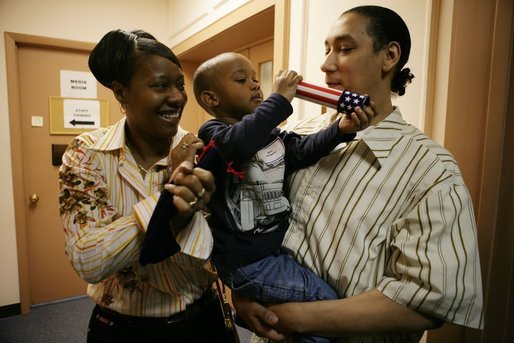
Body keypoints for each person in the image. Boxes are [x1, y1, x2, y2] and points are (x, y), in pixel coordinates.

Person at [232, 6, 484, 343]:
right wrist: (246, 295)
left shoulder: (431, 170)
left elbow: (427, 301)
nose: (326, 65)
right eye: (326, 50)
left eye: (345, 49)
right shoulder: (298, 132)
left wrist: (296, 319)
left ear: (389, 56)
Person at [58, 29, 230, 343]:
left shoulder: (200, 149)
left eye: (179, 85)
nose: (177, 97)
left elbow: (215, 246)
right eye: (160, 86)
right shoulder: (88, 153)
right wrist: (169, 201)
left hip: (203, 320)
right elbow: (88, 259)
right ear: (121, 93)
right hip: (124, 328)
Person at [192, 52, 373, 343]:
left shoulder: (271, 134)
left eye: (254, 78)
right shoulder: (214, 134)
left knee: (304, 319)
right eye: (241, 80)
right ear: (212, 99)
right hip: (247, 261)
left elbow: (301, 150)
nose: (254, 85)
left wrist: (339, 131)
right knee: (324, 301)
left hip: (269, 253)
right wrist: (278, 101)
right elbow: (237, 145)